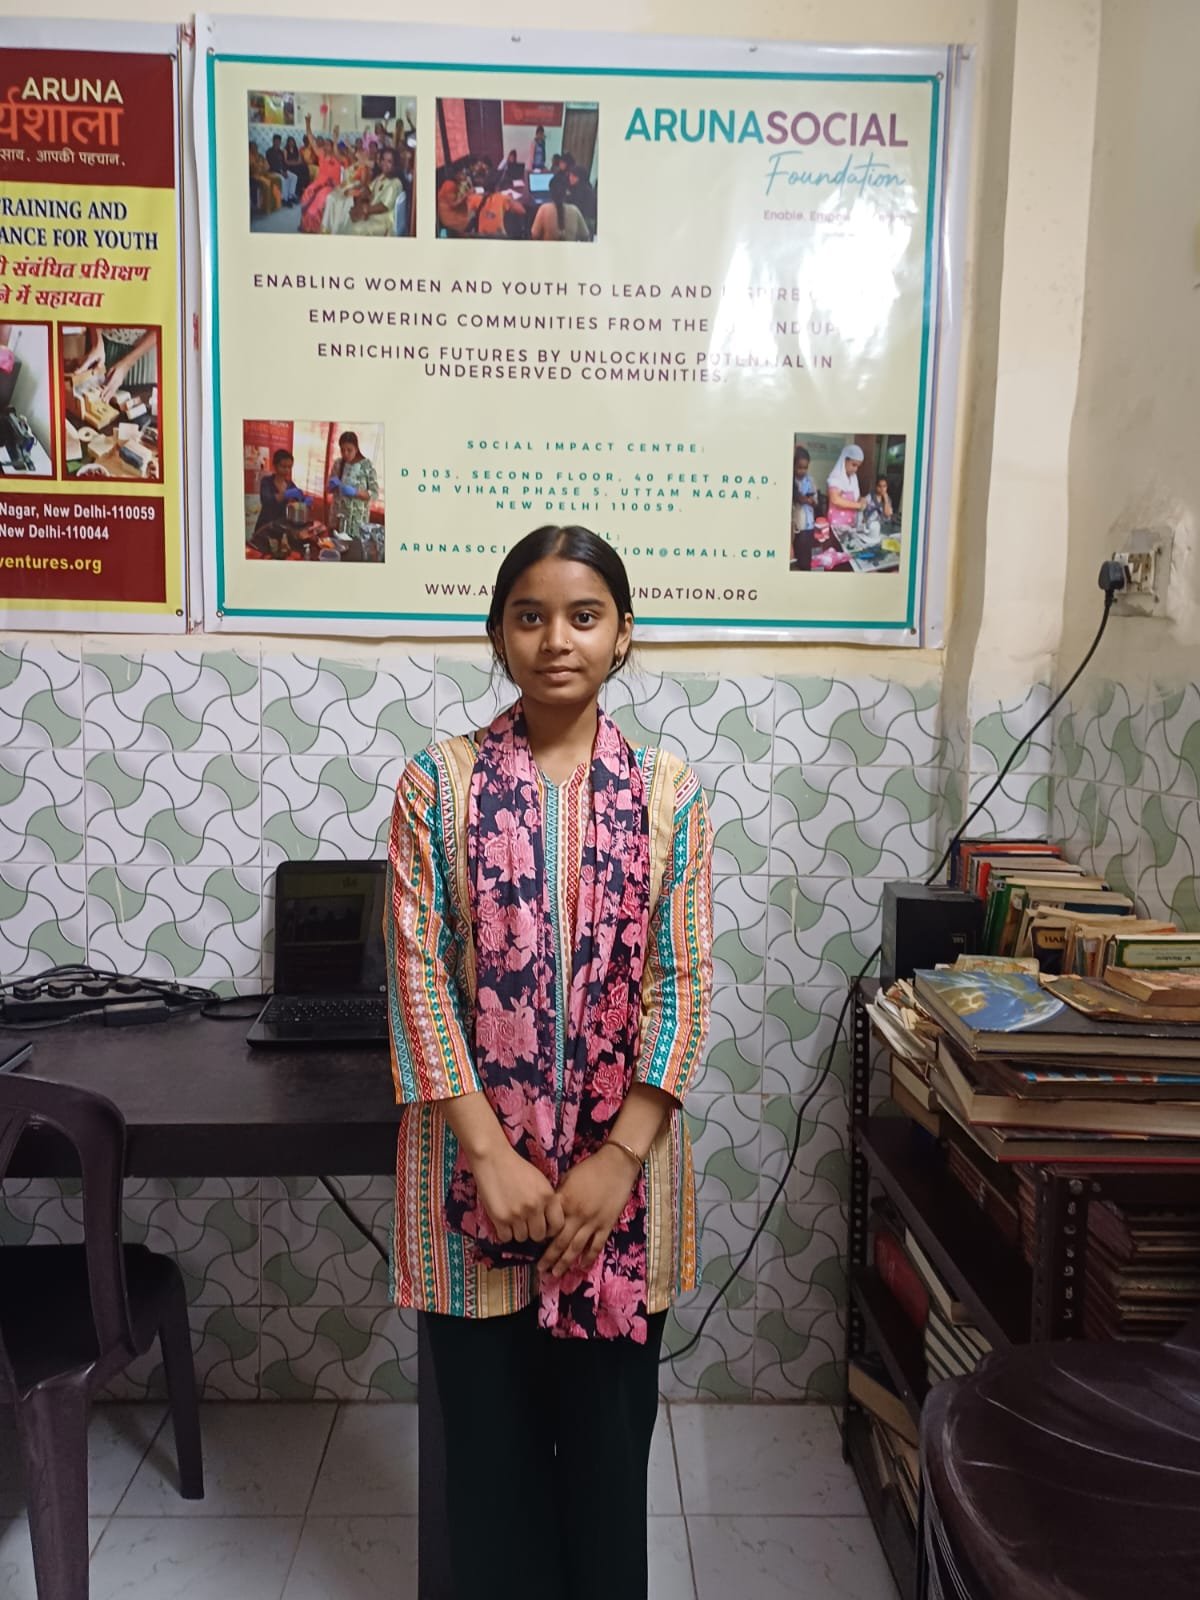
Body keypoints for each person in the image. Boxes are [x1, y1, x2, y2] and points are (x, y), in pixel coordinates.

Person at [385, 524, 712, 1600]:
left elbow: (682, 984)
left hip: (619, 1202)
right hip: (472, 1186)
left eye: (584, 616)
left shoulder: (668, 792)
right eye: (530, 616)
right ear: (499, 633)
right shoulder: (437, 786)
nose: (556, 640)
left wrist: (617, 1161)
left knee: (608, 1475)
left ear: (623, 634)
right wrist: (490, 1155)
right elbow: (420, 979)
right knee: (491, 1482)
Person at [326, 430, 378, 555]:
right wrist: (332, 486)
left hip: (356, 523)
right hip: (337, 519)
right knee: (334, 552)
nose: (345, 453)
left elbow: (374, 493)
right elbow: (329, 489)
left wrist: (355, 492)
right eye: (342, 450)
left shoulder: (367, 466)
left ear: (356, 448)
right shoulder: (338, 463)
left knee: (353, 553)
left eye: (349, 450)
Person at [78, 327, 159, 403]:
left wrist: (126, 364)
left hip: (143, 349)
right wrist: (97, 341)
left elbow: (160, 324)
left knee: (139, 405)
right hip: (103, 343)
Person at [343, 146, 403, 236]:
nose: (384, 163)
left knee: (357, 228)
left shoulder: (395, 183)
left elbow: (383, 206)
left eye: (389, 161)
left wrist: (364, 210)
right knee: (348, 219)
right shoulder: (381, 176)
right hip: (372, 213)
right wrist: (360, 201)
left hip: (383, 220)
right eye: (383, 160)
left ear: (395, 165)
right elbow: (369, 189)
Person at [255, 447, 311, 536]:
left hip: (282, 527)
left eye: (289, 467)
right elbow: (266, 500)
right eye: (283, 466)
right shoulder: (267, 481)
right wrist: (285, 494)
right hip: (265, 526)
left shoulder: (290, 484)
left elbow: (299, 500)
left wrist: (305, 501)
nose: (287, 470)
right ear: (275, 465)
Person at [299, 131, 343, 234]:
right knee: (308, 191)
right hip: (319, 182)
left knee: (320, 198)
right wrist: (308, 125)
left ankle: (316, 226)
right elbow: (312, 141)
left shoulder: (337, 157)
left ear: (332, 147)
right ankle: (306, 224)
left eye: (328, 145)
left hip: (331, 184)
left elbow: (339, 157)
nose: (325, 146)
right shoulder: (321, 154)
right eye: (325, 144)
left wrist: (335, 141)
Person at [531, 171, 591, 243]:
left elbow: (534, 235)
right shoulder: (575, 210)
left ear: (550, 191)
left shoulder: (544, 209)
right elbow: (585, 236)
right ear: (566, 192)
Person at [826, 443, 866, 532]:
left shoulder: (853, 477)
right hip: (837, 524)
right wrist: (858, 505)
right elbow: (835, 499)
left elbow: (856, 497)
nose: (855, 469)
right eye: (853, 465)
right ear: (844, 460)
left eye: (858, 466)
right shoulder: (836, 477)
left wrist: (862, 499)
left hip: (850, 523)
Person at [477, 169, 525, 238]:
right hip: (499, 238)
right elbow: (522, 211)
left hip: (480, 238)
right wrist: (511, 199)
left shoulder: (476, 198)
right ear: (498, 186)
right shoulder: (503, 198)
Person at [437, 159, 475, 236]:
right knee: (474, 219)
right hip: (451, 218)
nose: (465, 175)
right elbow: (453, 204)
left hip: (458, 214)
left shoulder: (457, 183)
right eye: (462, 173)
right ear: (456, 174)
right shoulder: (449, 185)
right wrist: (467, 194)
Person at [249, 142, 282, 216]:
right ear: (250, 148)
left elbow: (267, 166)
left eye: (256, 147)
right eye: (253, 147)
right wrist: (259, 166)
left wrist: (263, 167)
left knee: (277, 179)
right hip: (255, 175)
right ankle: (267, 207)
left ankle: (276, 204)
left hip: (264, 173)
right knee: (267, 183)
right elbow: (252, 168)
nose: (255, 149)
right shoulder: (248, 156)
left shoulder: (260, 155)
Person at [265, 134, 297, 204]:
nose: (277, 143)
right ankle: (284, 199)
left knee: (294, 177)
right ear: (273, 141)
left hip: (282, 170)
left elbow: (284, 163)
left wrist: (285, 171)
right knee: (283, 179)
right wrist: (281, 172)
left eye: (279, 141)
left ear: (280, 142)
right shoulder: (269, 152)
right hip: (273, 171)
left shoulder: (281, 152)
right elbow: (272, 165)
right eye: (276, 141)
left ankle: (290, 196)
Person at [567, 161, 597, 230]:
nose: (570, 178)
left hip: (585, 221)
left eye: (573, 176)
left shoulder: (583, 190)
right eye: (570, 175)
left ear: (580, 177)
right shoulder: (573, 188)